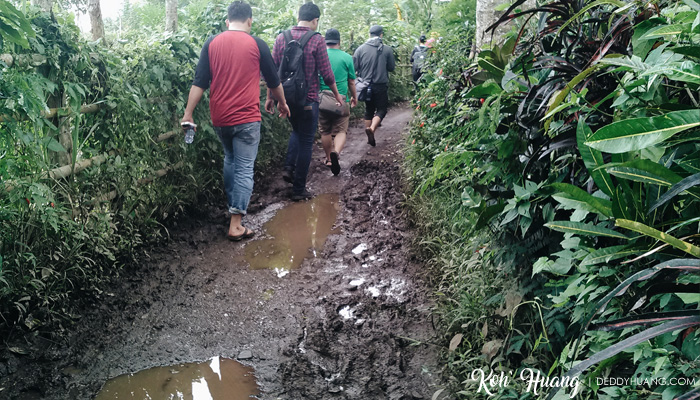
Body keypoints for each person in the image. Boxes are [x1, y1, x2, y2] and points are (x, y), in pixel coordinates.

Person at [181, 1, 290, 241]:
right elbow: (274, 81)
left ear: (227, 22)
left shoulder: (212, 43)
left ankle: (233, 206)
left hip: (220, 118)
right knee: (244, 167)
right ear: (250, 21)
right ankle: (236, 224)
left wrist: (188, 114)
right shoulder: (256, 44)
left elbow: (199, 82)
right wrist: (281, 103)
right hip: (247, 118)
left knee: (230, 159)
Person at [267, 2, 344, 201]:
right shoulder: (317, 40)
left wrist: (270, 97)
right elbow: (326, 73)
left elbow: (273, 73)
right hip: (309, 99)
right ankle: (299, 189)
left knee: (297, 131)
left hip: (286, 99)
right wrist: (336, 95)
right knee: (307, 140)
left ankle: (288, 168)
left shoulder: (281, 37)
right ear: (315, 20)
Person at [318, 28, 357, 176]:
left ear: (325, 42)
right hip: (340, 100)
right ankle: (336, 152)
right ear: (339, 41)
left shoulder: (320, 57)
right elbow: (352, 81)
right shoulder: (346, 57)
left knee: (325, 130)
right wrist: (354, 97)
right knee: (341, 130)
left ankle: (328, 158)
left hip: (322, 100)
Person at [353, 25, 395, 147]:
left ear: (369, 34)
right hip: (380, 85)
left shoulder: (360, 49)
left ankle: (369, 134)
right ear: (381, 34)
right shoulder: (387, 49)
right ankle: (371, 128)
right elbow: (391, 67)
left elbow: (355, 68)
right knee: (382, 109)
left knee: (369, 110)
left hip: (365, 85)